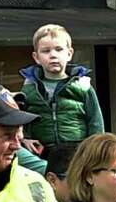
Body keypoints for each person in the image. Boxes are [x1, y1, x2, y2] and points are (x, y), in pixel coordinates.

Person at [20, 24, 104, 155]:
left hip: (77, 150)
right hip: (41, 151)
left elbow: (95, 121)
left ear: (69, 53)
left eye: (59, 49)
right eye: (46, 51)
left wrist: (94, 149)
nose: (53, 55)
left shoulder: (82, 85)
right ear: (36, 57)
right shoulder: (29, 88)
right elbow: (22, 119)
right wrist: (25, 138)